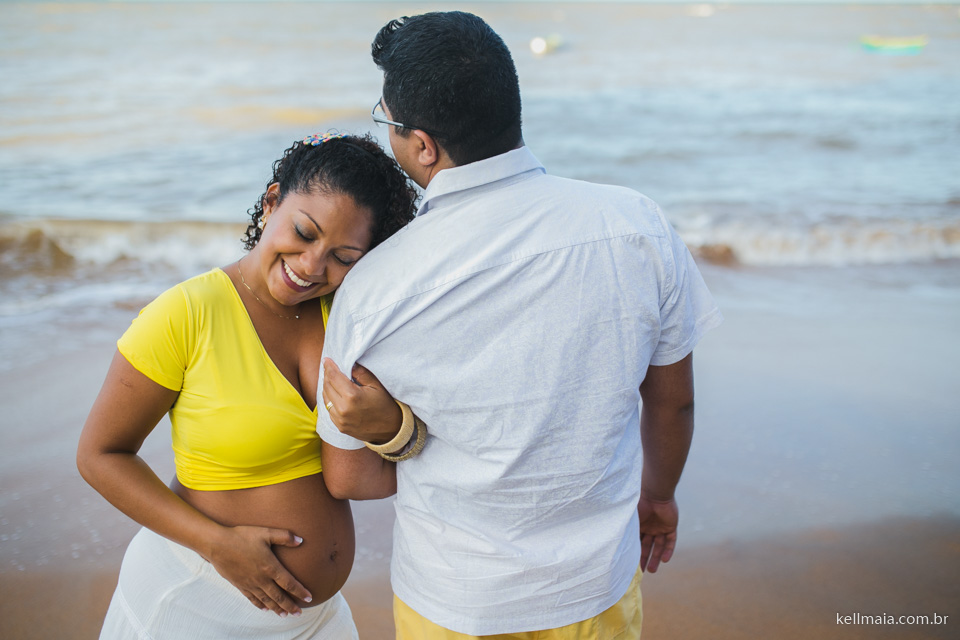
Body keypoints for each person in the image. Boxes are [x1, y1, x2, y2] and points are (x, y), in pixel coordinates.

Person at [317, 11, 724, 640]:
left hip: (455, 603)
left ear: (423, 145)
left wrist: (404, 436)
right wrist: (660, 497)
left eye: (387, 123)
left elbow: (347, 476)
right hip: (594, 588)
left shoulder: (375, 285)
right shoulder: (637, 225)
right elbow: (673, 403)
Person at [76, 132, 416, 639]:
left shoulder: (345, 318)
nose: (311, 265)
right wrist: (216, 543)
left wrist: (398, 428)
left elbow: (358, 476)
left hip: (315, 621)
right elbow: (99, 456)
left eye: (343, 257)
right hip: (197, 602)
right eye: (303, 232)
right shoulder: (185, 314)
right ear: (272, 202)